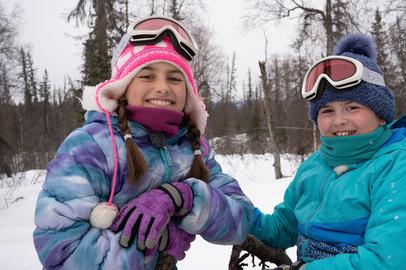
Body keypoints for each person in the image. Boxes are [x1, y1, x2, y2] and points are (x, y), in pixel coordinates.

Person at [33, 16, 253, 269]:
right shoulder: (88, 148)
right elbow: (62, 255)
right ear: (123, 87)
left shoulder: (192, 148)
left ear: (188, 92)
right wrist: (157, 242)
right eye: (147, 76)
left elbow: (242, 218)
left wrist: (184, 196)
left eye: (174, 78)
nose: (162, 87)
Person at [249, 34, 406, 270]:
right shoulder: (315, 166)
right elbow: (281, 229)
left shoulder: (402, 172)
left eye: (352, 107)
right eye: (327, 111)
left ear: (381, 115)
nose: (339, 120)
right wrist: (228, 213)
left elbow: (387, 262)